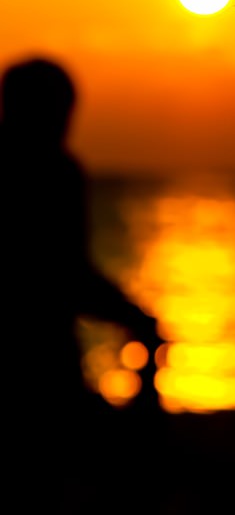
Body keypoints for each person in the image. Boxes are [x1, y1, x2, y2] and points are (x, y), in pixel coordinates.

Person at [0, 57, 160, 431]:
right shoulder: (58, 173)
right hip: (46, 367)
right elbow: (68, 276)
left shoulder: (60, 169)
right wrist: (136, 319)